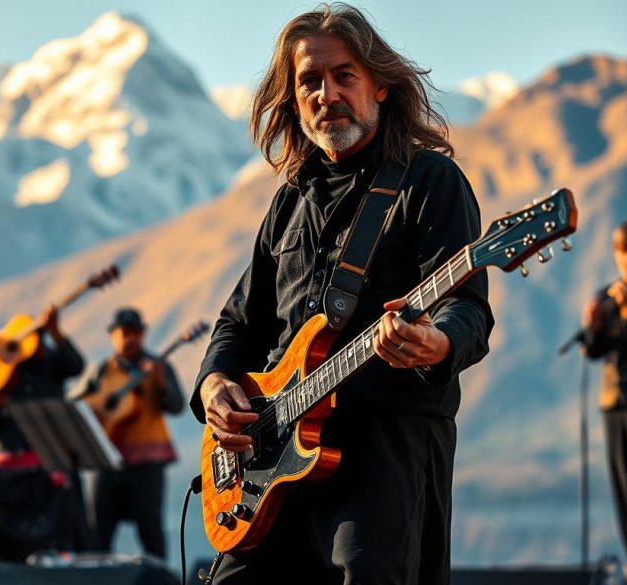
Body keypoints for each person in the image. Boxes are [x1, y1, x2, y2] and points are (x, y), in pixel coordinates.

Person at [192, 4, 494, 583]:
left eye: (343, 76)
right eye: (309, 80)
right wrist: (215, 385)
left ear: (380, 85)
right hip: (271, 464)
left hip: (383, 455)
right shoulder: (290, 200)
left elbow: (469, 310)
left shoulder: (429, 182)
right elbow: (239, 322)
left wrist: (435, 343)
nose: (325, 93)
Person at [0, 305, 87, 563]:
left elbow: (75, 366)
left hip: (48, 463)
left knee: (67, 509)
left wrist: (57, 333)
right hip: (7, 466)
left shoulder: (50, 361)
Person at [69, 308, 184, 559]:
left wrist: (161, 381)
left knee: (150, 528)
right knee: (98, 531)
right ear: (113, 336)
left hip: (147, 461)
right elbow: (76, 405)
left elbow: (176, 406)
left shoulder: (157, 366)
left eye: (135, 333)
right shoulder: (100, 372)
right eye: (124, 333)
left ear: (142, 335)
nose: (130, 339)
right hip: (107, 461)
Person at [583, 221, 627, 584]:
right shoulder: (609, 295)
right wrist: (593, 328)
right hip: (615, 405)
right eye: (620, 250)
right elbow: (597, 351)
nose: (625, 258)